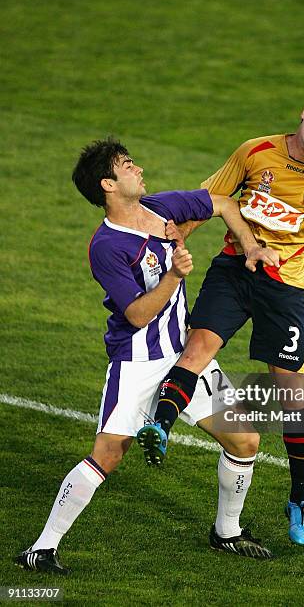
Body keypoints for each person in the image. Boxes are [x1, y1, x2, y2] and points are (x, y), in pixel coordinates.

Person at [138, 85, 304, 547]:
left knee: (292, 397)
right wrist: (176, 238)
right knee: (199, 346)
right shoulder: (255, 152)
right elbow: (210, 199)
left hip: (285, 288)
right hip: (234, 267)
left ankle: (299, 496)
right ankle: (159, 425)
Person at [15, 138, 280, 575]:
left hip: (184, 356)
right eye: (126, 165)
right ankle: (41, 549)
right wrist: (174, 276)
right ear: (108, 185)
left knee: (245, 439)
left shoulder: (162, 208)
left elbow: (223, 203)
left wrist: (250, 247)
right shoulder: (106, 246)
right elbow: (137, 315)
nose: (137, 168)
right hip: (137, 361)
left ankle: (226, 533)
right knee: (109, 452)